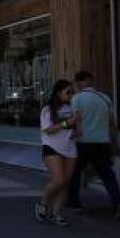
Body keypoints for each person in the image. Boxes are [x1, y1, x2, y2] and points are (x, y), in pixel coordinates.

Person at [66, 70, 120, 218]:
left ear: (81, 82)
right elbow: (112, 124)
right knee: (107, 174)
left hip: (82, 142)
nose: (77, 86)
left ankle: (74, 202)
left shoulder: (77, 99)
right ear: (90, 81)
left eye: (77, 83)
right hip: (102, 142)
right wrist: (115, 143)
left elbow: (75, 121)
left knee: (75, 173)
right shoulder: (105, 98)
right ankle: (118, 201)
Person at [38, 80, 78, 226]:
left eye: (72, 92)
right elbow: (48, 130)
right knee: (59, 180)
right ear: (58, 92)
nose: (71, 95)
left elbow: (76, 130)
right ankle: (43, 202)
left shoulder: (71, 108)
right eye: (68, 92)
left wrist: (76, 129)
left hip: (70, 148)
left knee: (65, 183)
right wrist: (66, 123)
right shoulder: (47, 110)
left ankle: (56, 213)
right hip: (52, 147)